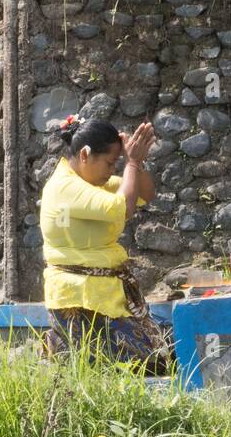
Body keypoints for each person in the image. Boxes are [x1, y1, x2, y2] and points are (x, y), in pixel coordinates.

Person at [39, 114, 173, 373]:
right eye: (110, 163)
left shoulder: (91, 182)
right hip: (80, 299)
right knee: (134, 369)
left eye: (116, 163)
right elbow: (122, 208)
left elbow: (144, 193)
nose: (113, 171)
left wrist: (136, 163)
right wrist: (131, 162)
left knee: (151, 364)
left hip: (104, 294)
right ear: (86, 155)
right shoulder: (65, 187)